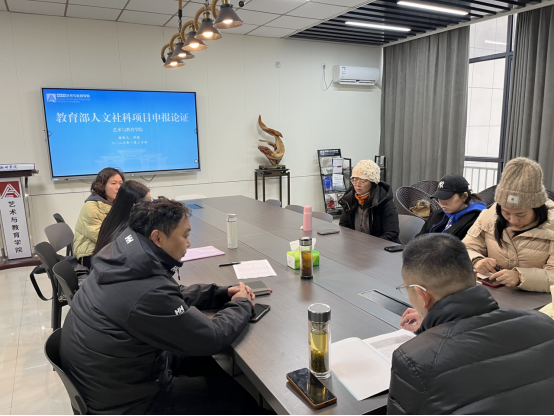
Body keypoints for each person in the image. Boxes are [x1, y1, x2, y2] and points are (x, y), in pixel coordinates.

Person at [61, 197, 264, 415]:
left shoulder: (124, 254)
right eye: (185, 235)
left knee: (198, 359)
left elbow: (168, 295)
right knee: (233, 397)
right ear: (157, 237)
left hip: (110, 379)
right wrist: (241, 303)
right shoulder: (147, 289)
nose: (188, 243)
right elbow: (212, 337)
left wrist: (219, 293)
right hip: (129, 403)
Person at [389, 233, 554, 415]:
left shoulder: (414, 360)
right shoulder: (544, 323)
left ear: (422, 295)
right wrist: (433, 325)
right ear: (475, 276)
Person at [463, 158, 554, 292]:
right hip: (495, 293)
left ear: (537, 207)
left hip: (539, 300)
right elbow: (465, 248)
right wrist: (477, 260)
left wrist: (520, 277)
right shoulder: (489, 217)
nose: (512, 220)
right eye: (506, 212)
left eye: (521, 214)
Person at [339, 160, 400, 243]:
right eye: (355, 180)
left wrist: (368, 246)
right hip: (357, 245)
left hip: (380, 248)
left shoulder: (384, 201)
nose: (357, 184)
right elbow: (343, 226)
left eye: (363, 181)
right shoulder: (349, 199)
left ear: (373, 183)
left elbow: (391, 234)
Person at [74, 167, 124, 268]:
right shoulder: (91, 207)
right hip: (89, 253)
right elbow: (101, 237)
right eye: (113, 183)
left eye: (121, 183)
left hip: (107, 248)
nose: (118, 187)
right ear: (102, 186)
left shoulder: (115, 203)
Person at [416, 174, 486, 240]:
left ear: (464, 196)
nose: (442, 202)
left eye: (447, 197)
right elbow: (418, 239)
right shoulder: (436, 214)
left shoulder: (476, 221)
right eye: (439, 196)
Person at [92, 180, 151, 258]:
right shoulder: (128, 235)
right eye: (147, 203)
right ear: (134, 206)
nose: (151, 207)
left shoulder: (112, 221)